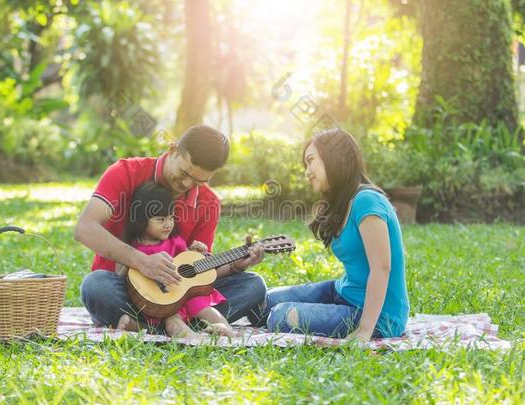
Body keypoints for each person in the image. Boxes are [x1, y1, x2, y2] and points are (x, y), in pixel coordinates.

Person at [76, 125, 267, 330]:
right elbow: (85, 229)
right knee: (96, 285)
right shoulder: (125, 172)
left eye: (198, 181)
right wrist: (141, 261)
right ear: (172, 150)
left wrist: (236, 265)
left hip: (179, 298)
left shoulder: (209, 202)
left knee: (253, 286)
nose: (186, 184)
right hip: (125, 288)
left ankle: (145, 326)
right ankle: (176, 327)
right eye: (184, 172)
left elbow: (198, 273)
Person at [264, 128, 410, 341]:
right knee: (265, 300)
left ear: (334, 158)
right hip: (343, 292)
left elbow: (382, 268)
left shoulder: (367, 201)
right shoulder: (342, 202)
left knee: (280, 316)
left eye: (311, 160)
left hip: (378, 316)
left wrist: (364, 330)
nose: (307, 171)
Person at [118, 181, 234, 337]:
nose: (168, 224)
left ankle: (225, 329)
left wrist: (195, 253)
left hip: (184, 292)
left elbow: (186, 263)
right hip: (157, 300)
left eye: (171, 217)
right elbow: (120, 276)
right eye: (160, 219)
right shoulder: (133, 249)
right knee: (172, 320)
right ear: (140, 220)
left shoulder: (176, 242)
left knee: (203, 306)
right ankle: (193, 339)